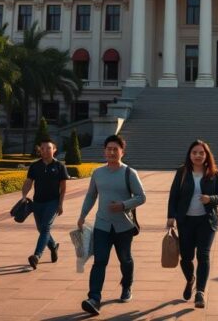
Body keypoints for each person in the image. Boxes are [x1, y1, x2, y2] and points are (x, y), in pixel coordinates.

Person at [77, 135, 147, 316]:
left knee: (125, 259)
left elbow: (141, 196)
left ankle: (127, 286)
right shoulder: (98, 173)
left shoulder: (129, 173)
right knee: (99, 261)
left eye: (115, 149)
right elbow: (91, 196)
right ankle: (94, 298)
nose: (111, 152)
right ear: (104, 151)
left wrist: (123, 205)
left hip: (123, 226)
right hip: (102, 225)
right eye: (109, 149)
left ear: (122, 152)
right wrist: (82, 215)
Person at [167, 140, 218, 309]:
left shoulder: (214, 174)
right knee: (186, 258)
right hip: (185, 221)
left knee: (203, 255)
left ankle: (200, 291)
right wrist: (171, 216)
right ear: (190, 155)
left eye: (201, 153)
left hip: (206, 221)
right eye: (195, 152)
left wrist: (211, 198)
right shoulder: (182, 172)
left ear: (207, 155)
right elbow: (174, 195)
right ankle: (190, 279)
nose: (198, 156)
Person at [20, 137, 69, 270]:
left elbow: (63, 188)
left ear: (54, 149)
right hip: (38, 203)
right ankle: (53, 247)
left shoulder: (60, 166)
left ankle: (36, 256)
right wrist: (24, 195)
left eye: (48, 148)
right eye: (42, 148)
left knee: (46, 226)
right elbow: (29, 182)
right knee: (41, 229)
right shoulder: (35, 166)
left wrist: (60, 204)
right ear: (39, 150)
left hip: (52, 202)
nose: (45, 151)